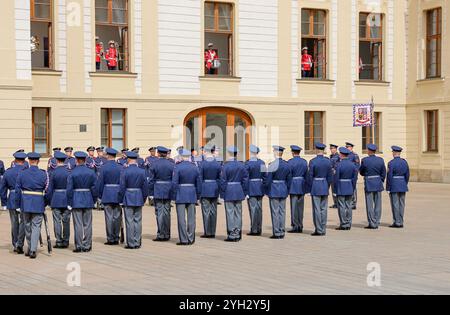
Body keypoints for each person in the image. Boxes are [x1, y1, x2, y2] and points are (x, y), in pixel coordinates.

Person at [15, 152, 49, 259]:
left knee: (27, 226)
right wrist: (45, 202)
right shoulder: (44, 174)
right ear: (38, 161)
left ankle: (30, 248)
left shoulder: (22, 173)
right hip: (38, 203)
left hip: (25, 203)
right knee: (36, 227)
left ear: (29, 161)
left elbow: (17, 190)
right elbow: (48, 190)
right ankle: (33, 250)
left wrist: (18, 204)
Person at [67, 151, 98, 253]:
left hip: (76, 199)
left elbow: (69, 190)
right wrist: (93, 200)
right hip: (88, 198)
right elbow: (94, 188)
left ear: (76, 160)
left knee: (78, 224)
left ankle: (79, 245)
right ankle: (87, 245)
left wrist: (70, 202)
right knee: (88, 224)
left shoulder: (72, 172)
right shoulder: (91, 172)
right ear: (85, 160)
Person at [119, 151, 149, 249]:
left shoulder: (125, 171)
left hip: (128, 196)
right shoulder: (142, 171)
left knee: (129, 221)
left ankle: (130, 243)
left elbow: (122, 187)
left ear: (128, 159)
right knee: (138, 221)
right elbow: (145, 187)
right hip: (138, 196)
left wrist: (121, 199)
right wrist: (144, 198)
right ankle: (137, 242)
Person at [172, 149, 201, 246]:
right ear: (189, 157)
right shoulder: (195, 167)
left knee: (181, 218)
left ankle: (183, 239)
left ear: (181, 157)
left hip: (180, 193)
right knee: (191, 217)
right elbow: (199, 183)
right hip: (192, 193)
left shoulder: (178, 167)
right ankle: (191, 237)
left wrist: (174, 195)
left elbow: (174, 183)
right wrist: (198, 195)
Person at [0, 151, 28, 254]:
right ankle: (20, 243)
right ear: (24, 161)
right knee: (23, 222)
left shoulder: (8, 172)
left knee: (14, 223)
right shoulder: (26, 171)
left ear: (15, 160)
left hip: (12, 198)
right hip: (24, 198)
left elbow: (2, 188)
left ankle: (16, 243)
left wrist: (3, 202)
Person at [220, 146, 249, 242]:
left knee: (230, 213)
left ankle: (232, 234)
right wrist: (244, 192)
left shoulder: (226, 166)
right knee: (238, 213)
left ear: (229, 154)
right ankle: (238, 232)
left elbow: (223, 181)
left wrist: (223, 193)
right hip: (239, 190)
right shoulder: (242, 165)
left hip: (229, 190)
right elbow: (245, 180)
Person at [148, 146, 175, 242]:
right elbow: (174, 179)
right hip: (168, 189)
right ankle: (167, 234)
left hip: (158, 189)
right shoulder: (171, 164)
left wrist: (150, 193)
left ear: (158, 153)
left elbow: (151, 180)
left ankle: (160, 234)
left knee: (159, 213)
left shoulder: (154, 164)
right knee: (167, 213)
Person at [97, 148, 123, 245]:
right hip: (118, 194)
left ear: (107, 155)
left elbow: (100, 183)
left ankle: (110, 238)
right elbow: (123, 182)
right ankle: (116, 237)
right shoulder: (120, 167)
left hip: (107, 193)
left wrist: (100, 195)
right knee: (117, 217)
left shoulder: (104, 167)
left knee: (108, 217)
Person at [46, 151, 71, 249]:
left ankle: (59, 241)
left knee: (57, 221)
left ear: (56, 160)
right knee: (66, 221)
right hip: (66, 199)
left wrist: (48, 200)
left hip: (56, 198)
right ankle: (66, 240)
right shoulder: (69, 172)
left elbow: (50, 189)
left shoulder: (53, 172)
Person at [266, 146, 292, 239]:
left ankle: (276, 232)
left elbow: (268, 180)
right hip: (283, 189)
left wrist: (267, 190)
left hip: (274, 189)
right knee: (282, 211)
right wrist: (287, 189)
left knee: (275, 212)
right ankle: (281, 231)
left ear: (275, 153)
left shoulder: (272, 165)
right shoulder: (287, 165)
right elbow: (289, 180)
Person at [307, 143, 333, 236]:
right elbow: (330, 177)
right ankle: (323, 228)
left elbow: (310, 176)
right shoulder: (328, 161)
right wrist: (327, 186)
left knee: (317, 209)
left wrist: (310, 188)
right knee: (324, 209)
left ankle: (318, 229)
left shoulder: (313, 161)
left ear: (316, 150)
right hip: (324, 185)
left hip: (316, 186)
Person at [359, 144, 386, 229]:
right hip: (378, 182)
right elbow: (383, 172)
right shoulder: (380, 160)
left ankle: (372, 222)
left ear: (369, 151)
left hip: (369, 183)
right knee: (378, 203)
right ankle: (377, 221)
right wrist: (380, 180)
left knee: (369, 204)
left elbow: (361, 172)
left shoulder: (365, 160)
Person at [198, 145, 222, 238]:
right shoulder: (217, 163)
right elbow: (220, 178)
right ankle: (213, 232)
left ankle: (207, 232)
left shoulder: (202, 164)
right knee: (213, 211)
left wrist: (199, 191)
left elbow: (200, 178)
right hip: (214, 188)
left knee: (206, 211)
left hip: (205, 189)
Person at [334, 147, 359, 231]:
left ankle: (343, 223)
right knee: (348, 206)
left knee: (341, 206)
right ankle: (348, 223)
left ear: (341, 155)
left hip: (341, 186)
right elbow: (354, 178)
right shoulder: (352, 165)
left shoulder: (339, 165)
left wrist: (335, 190)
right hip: (349, 186)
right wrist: (353, 187)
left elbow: (336, 178)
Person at [245, 145, 267, 236]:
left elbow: (246, 178)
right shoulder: (262, 162)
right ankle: (259, 228)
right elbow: (265, 176)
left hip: (251, 187)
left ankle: (254, 229)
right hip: (260, 187)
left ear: (250, 152)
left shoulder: (248, 163)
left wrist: (245, 190)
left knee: (253, 209)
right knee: (259, 209)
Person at [386, 146, 410, 228]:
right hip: (403, 184)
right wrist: (404, 183)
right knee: (402, 204)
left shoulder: (391, 163)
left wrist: (388, 187)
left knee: (395, 204)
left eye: (393, 152)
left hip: (394, 185)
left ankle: (397, 222)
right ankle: (401, 221)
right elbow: (407, 175)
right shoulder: (404, 162)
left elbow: (389, 176)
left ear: (394, 153)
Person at [287, 145, 308, 234]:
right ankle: (300, 225)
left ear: (292, 152)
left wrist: (288, 187)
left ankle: (295, 226)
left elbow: (289, 176)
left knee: (294, 207)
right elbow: (307, 174)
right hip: (302, 184)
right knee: (300, 207)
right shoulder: (304, 162)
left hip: (293, 185)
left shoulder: (290, 162)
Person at [346, 142, 360, 209]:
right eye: (346, 147)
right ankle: (348, 202)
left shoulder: (355, 155)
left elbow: (357, 166)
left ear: (351, 147)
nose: (347, 148)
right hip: (347, 175)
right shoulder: (346, 155)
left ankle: (353, 203)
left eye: (348, 147)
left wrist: (355, 175)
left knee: (353, 188)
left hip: (353, 175)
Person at [329, 144, 340, 209]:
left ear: (336, 149)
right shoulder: (331, 156)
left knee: (336, 189)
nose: (332, 150)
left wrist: (334, 169)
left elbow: (338, 165)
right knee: (333, 189)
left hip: (336, 175)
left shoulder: (338, 156)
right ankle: (335, 202)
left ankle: (338, 203)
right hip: (331, 176)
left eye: (333, 149)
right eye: (331, 149)